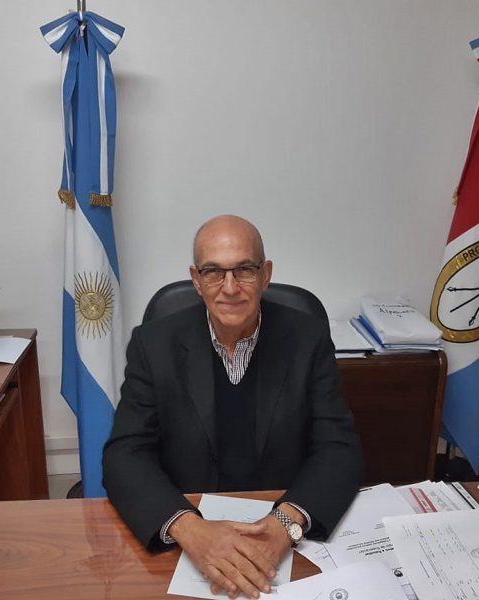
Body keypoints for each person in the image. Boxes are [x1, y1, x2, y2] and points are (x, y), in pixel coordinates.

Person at [103, 215, 363, 599]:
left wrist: (285, 524)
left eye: (244, 270)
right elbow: (125, 454)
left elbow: (338, 448)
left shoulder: (307, 339)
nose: (229, 288)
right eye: (213, 272)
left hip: (282, 526)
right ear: (196, 280)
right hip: (188, 535)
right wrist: (189, 529)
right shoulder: (153, 344)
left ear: (265, 274)